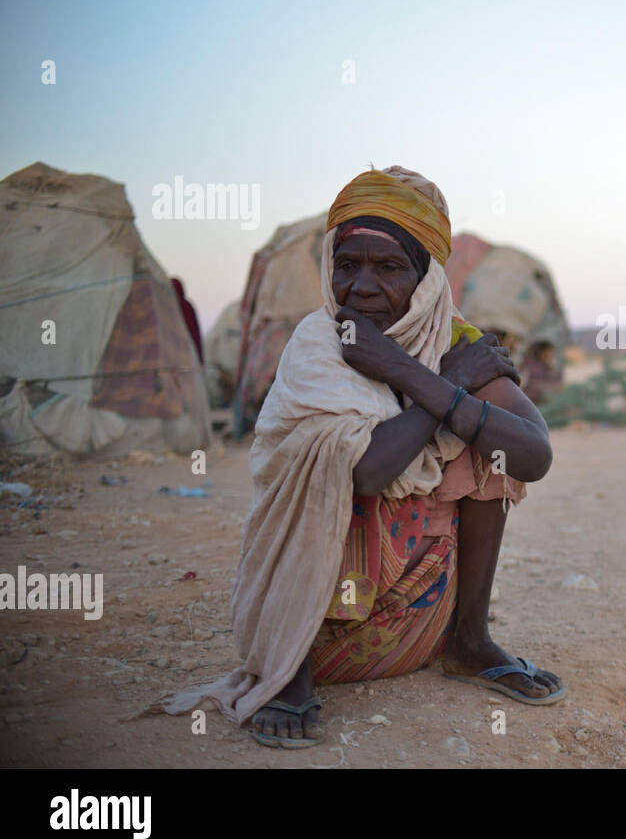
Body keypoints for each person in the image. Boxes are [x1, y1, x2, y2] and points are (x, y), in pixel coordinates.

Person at [164, 166, 564, 748]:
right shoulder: (319, 342)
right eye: (347, 265)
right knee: (324, 460)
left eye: (389, 267)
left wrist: (420, 376)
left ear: (427, 280)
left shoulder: (454, 343)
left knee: (490, 452)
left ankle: (470, 642)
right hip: (316, 631)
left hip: (414, 621)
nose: (362, 286)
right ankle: (289, 675)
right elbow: (368, 472)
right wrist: (430, 383)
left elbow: (534, 456)